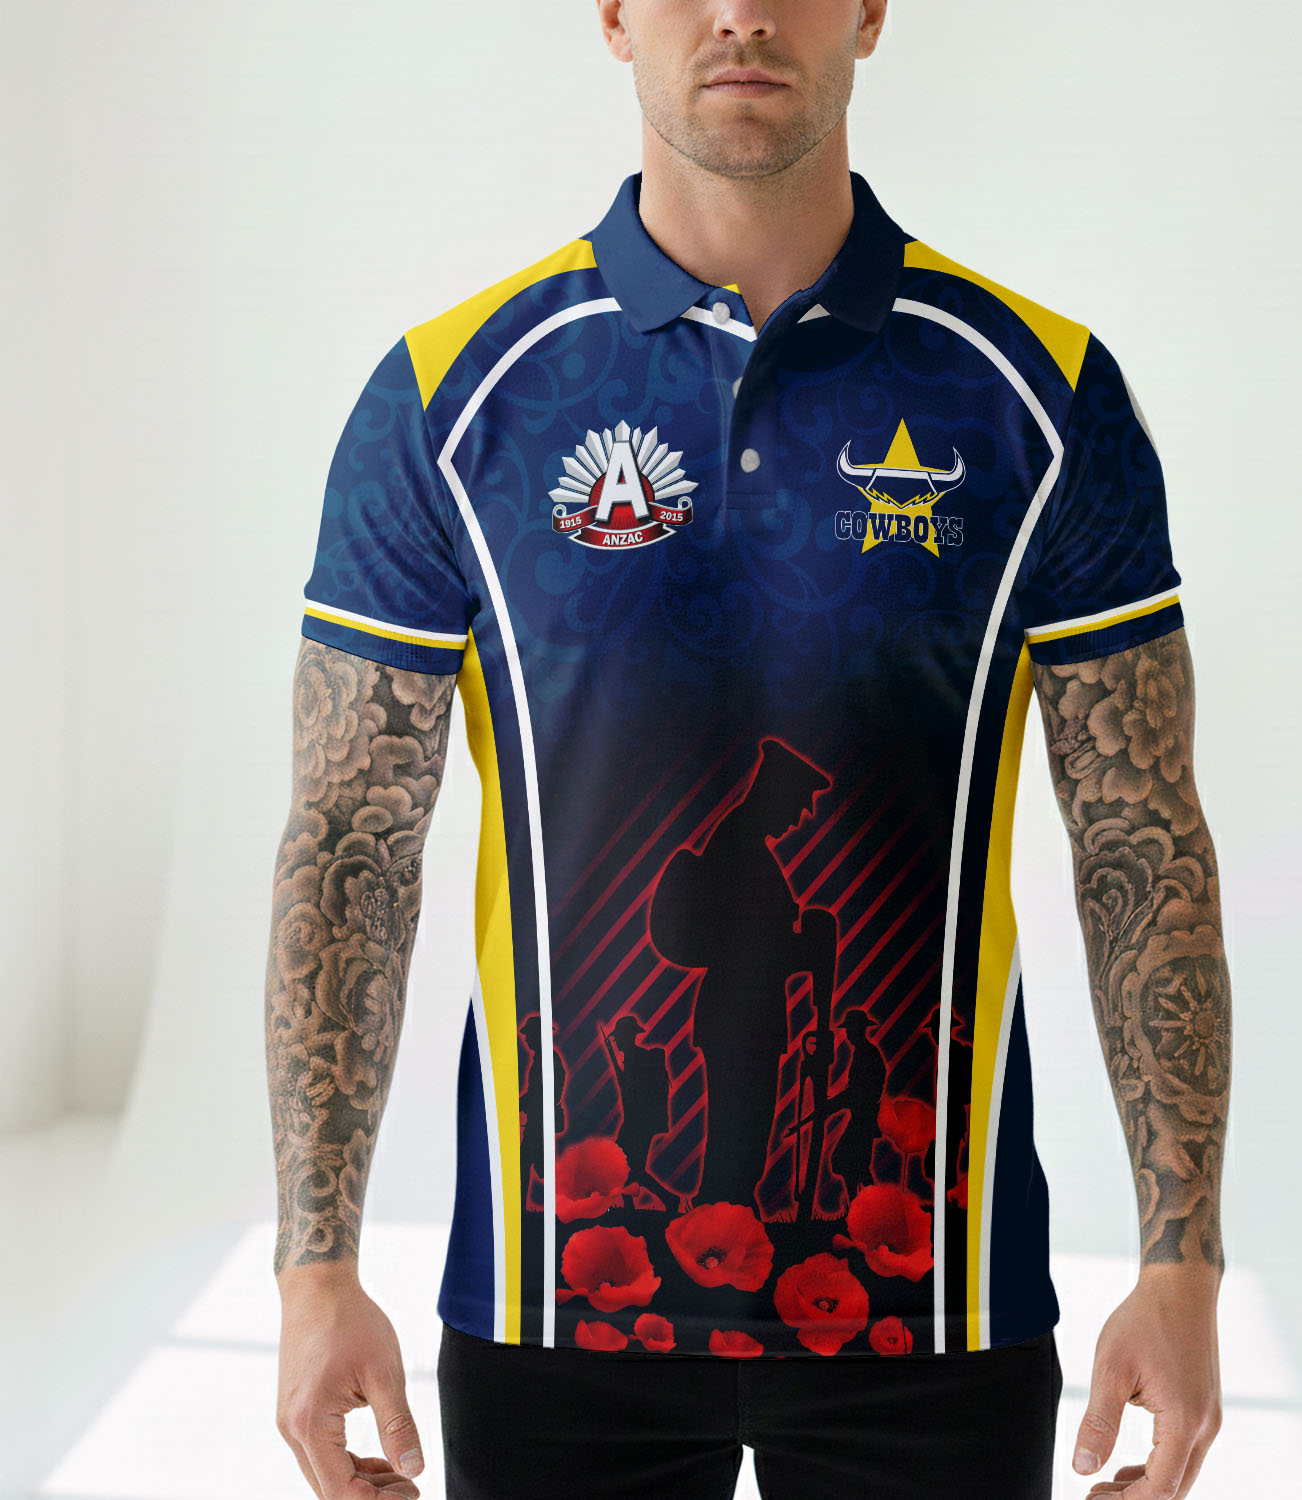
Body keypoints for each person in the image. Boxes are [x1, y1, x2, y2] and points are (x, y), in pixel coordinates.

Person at [265, 2, 1232, 1497]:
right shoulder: (452, 400)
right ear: (611, 14)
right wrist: (315, 1270)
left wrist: (1184, 1268)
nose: (740, 13)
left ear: (869, 11)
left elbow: (1141, 842)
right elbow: (350, 844)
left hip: (938, 1310)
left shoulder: (1040, 396)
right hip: (550, 1311)